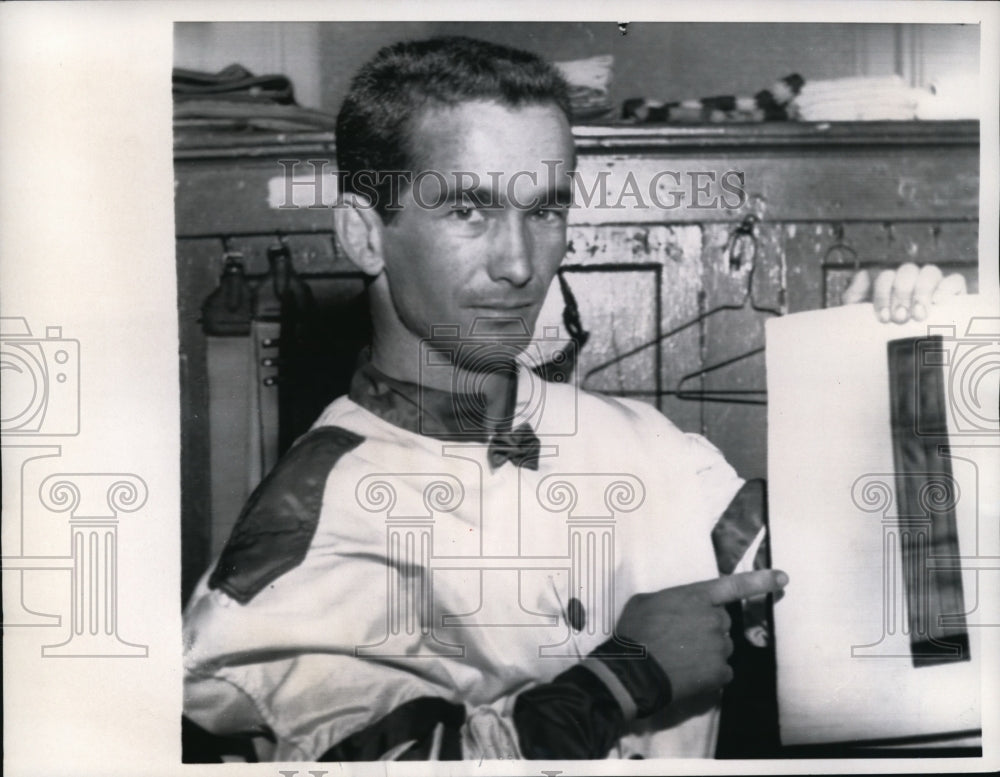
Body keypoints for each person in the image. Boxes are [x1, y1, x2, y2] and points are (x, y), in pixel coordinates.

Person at [182, 36, 967, 762]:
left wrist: (890, 388)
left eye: (545, 209)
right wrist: (620, 679)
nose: (521, 263)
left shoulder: (649, 444)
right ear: (363, 234)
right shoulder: (307, 524)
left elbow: (863, 608)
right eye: (469, 208)